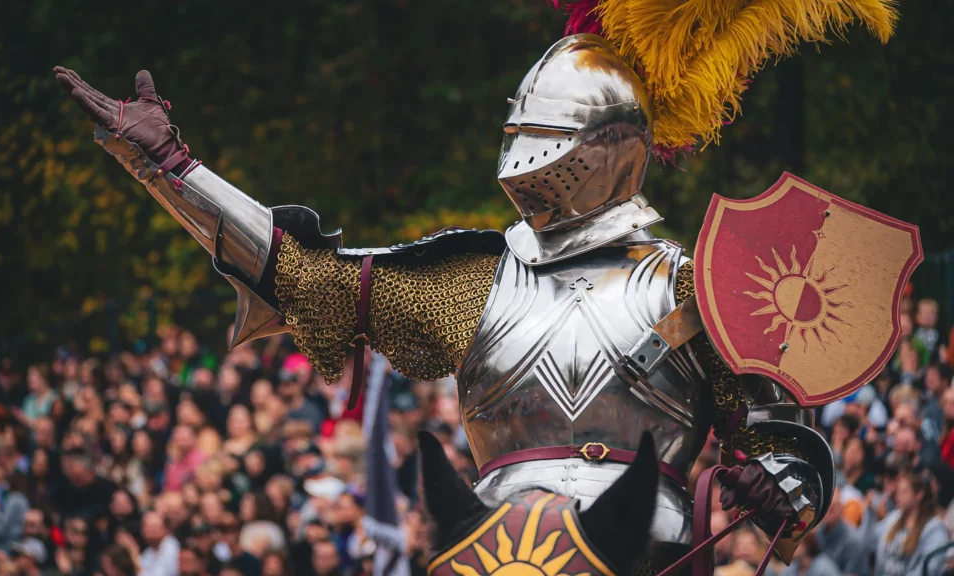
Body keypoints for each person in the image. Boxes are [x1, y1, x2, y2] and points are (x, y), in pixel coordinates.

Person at [53, 1, 903, 571]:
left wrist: (779, 478)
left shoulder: (694, 285)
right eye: (521, 133)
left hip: (649, 552)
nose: (527, 160)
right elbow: (305, 279)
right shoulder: (479, 277)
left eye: (547, 136)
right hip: (488, 551)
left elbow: (784, 445)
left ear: (610, 147)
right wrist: (170, 166)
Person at [860, 469, 947, 575]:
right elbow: (867, 545)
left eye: (904, 491)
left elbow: (929, 570)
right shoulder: (893, 518)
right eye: (898, 491)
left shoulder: (934, 529)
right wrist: (870, 514)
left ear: (919, 494)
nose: (898, 496)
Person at [139, 511, 180, 576]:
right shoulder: (148, 551)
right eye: (147, 526)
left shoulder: (172, 547)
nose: (150, 530)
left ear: (165, 528)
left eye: (154, 526)